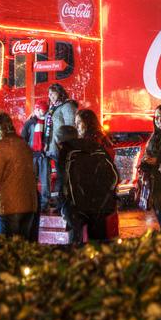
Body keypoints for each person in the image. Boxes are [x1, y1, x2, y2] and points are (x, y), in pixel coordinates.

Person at [0, 110, 39, 240]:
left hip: (8, 207)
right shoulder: (23, 144)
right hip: (29, 205)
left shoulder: (0, 147)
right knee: (24, 247)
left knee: (8, 248)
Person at [59, 109, 118, 243]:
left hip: (91, 197)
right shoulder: (100, 138)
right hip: (101, 198)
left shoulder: (92, 142)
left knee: (88, 239)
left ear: (87, 123)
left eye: (79, 122)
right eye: (76, 123)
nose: (77, 126)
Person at [139, 104, 161, 227]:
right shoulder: (155, 136)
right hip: (154, 185)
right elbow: (148, 154)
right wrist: (145, 161)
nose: (158, 120)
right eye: (155, 117)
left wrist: (157, 161)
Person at [42, 83, 78, 207]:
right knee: (50, 175)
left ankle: (63, 203)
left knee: (63, 176)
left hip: (61, 147)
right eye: (49, 93)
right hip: (50, 147)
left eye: (52, 93)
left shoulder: (67, 106)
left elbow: (71, 127)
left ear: (59, 93)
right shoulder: (53, 108)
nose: (49, 96)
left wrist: (65, 145)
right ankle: (51, 201)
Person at [20, 99, 50, 210]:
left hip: (42, 155)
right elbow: (23, 138)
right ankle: (32, 202)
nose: (44, 113)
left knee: (45, 180)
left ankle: (43, 204)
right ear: (37, 110)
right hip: (33, 155)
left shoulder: (46, 122)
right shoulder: (30, 123)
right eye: (43, 111)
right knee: (32, 180)